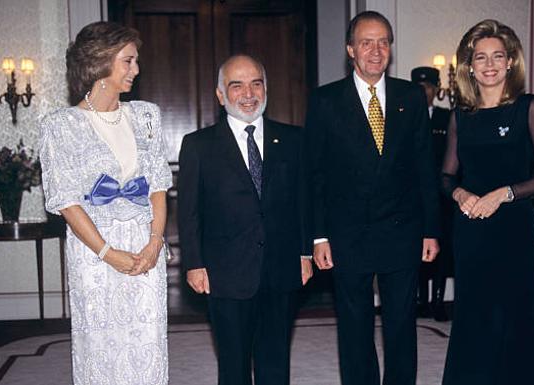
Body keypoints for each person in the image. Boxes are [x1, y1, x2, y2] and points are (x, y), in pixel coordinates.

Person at [303, 11, 441, 385]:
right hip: (348, 234)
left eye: (383, 42)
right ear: (351, 49)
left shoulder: (410, 96)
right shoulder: (325, 100)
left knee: (400, 326)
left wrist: (431, 229)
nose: (375, 50)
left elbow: (425, 168)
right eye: (366, 42)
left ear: (390, 49)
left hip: (402, 230)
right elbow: (314, 175)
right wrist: (318, 237)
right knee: (354, 328)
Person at [39, 21, 172, 384]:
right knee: (101, 346)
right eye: (128, 61)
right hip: (94, 251)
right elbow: (67, 202)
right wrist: (106, 252)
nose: (136, 70)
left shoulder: (146, 115)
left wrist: (155, 241)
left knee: (147, 344)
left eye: (136, 61)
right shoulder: (60, 125)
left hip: (147, 246)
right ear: (100, 62)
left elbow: (158, 185)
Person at [178, 54, 313, 385]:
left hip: (281, 269)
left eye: (256, 83)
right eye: (237, 85)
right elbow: (189, 211)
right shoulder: (198, 146)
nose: (248, 93)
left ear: (267, 89)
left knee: (275, 362)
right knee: (234, 366)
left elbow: (305, 202)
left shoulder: (294, 140)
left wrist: (305, 253)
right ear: (221, 95)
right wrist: (194, 264)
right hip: (226, 272)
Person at [441, 19, 534, 385]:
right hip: (471, 229)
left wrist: (504, 193)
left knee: (515, 316)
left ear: (510, 62)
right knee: (474, 316)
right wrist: (460, 192)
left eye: (498, 56)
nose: (489, 65)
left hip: (513, 229)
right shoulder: (460, 116)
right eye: (481, 58)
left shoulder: (529, 108)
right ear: (469, 66)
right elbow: (446, 176)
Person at [411, 66, 452, 321]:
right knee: (415, 249)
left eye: (429, 87)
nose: (424, 91)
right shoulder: (404, 117)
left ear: (437, 90)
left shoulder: (447, 118)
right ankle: (420, 301)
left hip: (442, 196)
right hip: (413, 196)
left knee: (441, 249)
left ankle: (438, 300)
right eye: (419, 87)